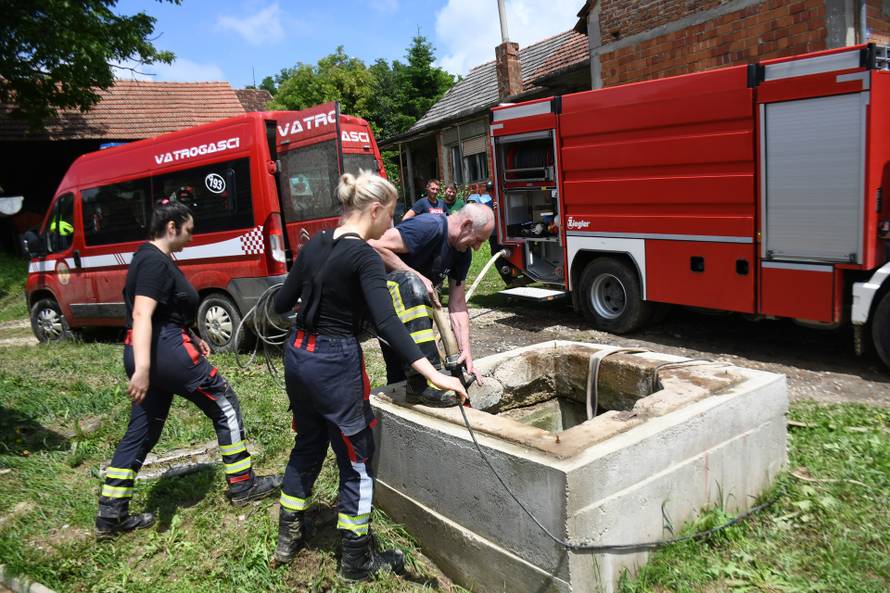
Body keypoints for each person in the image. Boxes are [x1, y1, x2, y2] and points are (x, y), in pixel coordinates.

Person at [271, 172, 467, 580]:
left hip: (298, 354)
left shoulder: (316, 244)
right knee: (356, 457)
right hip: (333, 361)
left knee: (308, 442)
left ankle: (288, 536)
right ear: (374, 210)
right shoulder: (363, 257)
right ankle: (356, 558)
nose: (392, 225)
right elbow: (390, 323)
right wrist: (435, 375)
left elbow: (282, 303)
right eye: (391, 215)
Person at [95, 200, 281, 539]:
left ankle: (111, 514)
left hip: (158, 349)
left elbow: (167, 311)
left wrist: (194, 335)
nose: (191, 237)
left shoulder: (148, 258)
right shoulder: (153, 262)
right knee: (225, 405)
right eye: (189, 230)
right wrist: (143, 369)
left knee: (143, 429)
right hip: (162, 352)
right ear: (172, 227)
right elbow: (142, 315)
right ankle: (243, 485)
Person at [368, 203, 494, 406]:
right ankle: (417, 389)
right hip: (386, 305)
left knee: (405, 372)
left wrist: (465, 351)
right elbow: (374, 243)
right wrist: (416, 275)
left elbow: (458, 303)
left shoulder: (462, 253)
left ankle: (414, 395)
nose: (478, 247)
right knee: (402, 369)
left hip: (413, 308)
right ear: (466, 225)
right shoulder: (429, 227)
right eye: (478, 239)